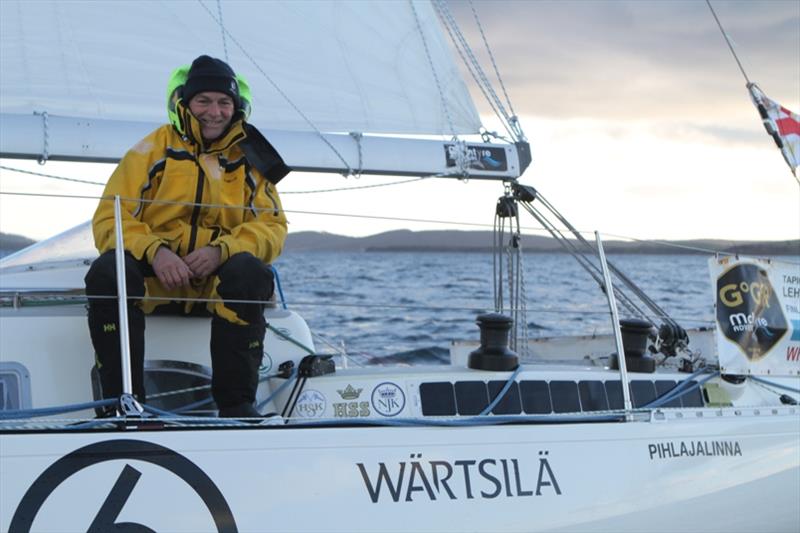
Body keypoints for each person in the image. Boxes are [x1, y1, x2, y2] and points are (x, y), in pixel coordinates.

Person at [85, 55, 290, 418]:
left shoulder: (250, 158)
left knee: (251, 273)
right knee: (107, 273)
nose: (215, 112)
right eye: (204, 101)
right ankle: (123, 405)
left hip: (215, 283)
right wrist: (156, 252)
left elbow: (273, 227)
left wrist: (221, 250)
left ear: (237, 106)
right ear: (185, 103)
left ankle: (238, 407)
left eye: (224, 102)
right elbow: (108, 219)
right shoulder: (150, 151)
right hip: (156, 280)